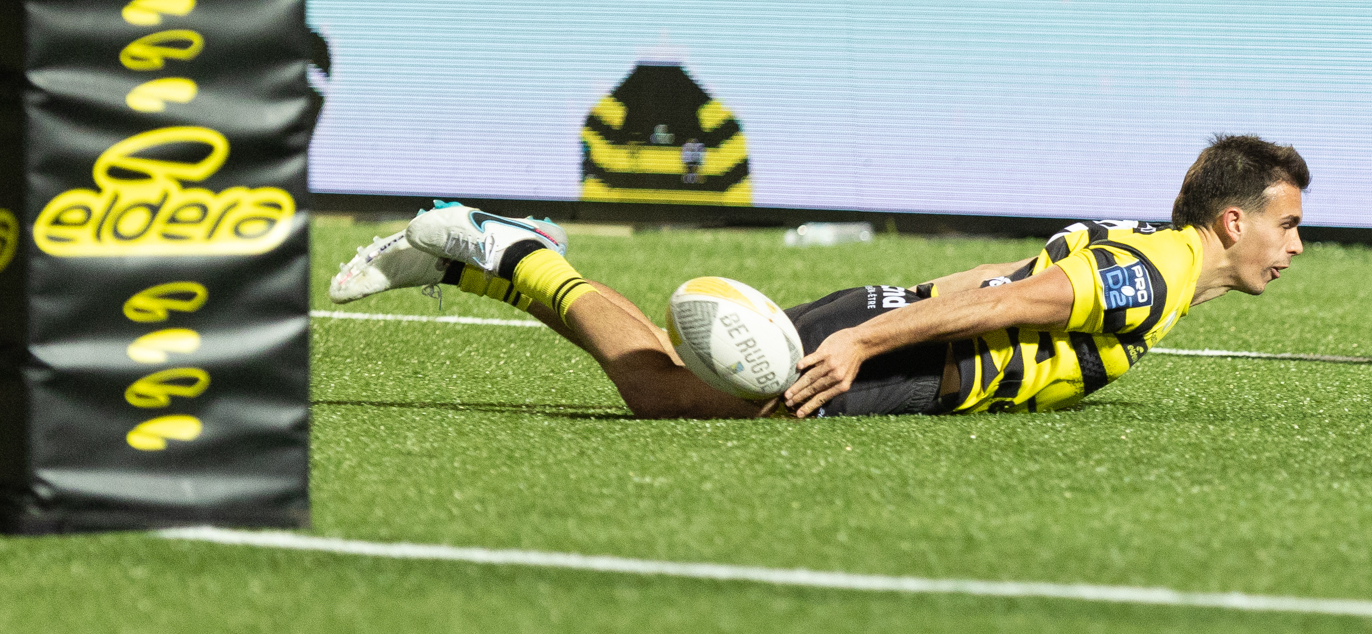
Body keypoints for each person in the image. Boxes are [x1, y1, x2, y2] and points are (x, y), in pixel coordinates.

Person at [329, 134, 1308, 419]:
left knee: (661, 378)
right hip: (906, 359)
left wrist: (892, 305)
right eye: (1286, 224)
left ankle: (479, 262)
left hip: (902, 335)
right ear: (1233, 220)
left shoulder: (1152, 250)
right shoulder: (1155, 273)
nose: (1293, 245)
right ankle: (509, 256)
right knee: (661, 394)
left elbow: (999, 272)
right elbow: (1012, 301)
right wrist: (859, 340)